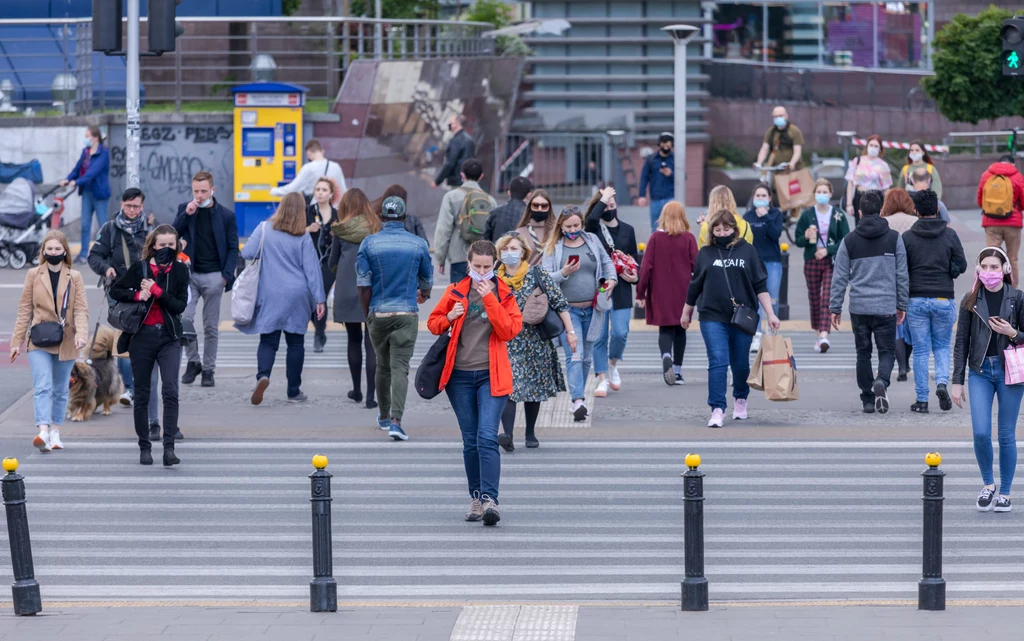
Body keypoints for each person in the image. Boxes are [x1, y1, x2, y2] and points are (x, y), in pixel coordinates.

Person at [427, 240, 523, 526]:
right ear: (468, 263)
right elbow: (433, 323)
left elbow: (510, 330)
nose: (481, 271)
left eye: (486, 266)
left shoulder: (505, 293)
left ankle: (492, 500)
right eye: (476, 266)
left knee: (486, 436)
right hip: (459, 377)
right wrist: (449, 317)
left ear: (495, 265)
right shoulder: (455, 290)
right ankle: (477, 498)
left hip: (491, 375)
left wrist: (490, 298)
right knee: (470, 441)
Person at [682, 210, 779, 427]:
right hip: (711, 315)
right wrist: (686, 311)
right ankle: (717, 408)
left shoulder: (748, 251)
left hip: (742, 316)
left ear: (734, 229)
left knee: (740, 363)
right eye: (717, 229)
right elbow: (694, 286)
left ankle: (741, 398)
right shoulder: (705, 253)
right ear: (711, 231)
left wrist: (771, 313)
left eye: (726, 228)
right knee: (718, 361)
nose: (722, 232)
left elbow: (760, 285)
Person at [951, 247, 1024, 513]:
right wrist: (956, 381)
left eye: (995, 267)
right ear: (978, 270)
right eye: (986, 267)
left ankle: (1005, 492)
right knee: (981, 432)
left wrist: (1013, 332)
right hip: (979, 372)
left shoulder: (1017, 298)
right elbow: (961, 342)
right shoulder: (970, 300)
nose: (990, 272)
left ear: (1005, 269)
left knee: (1006, 434)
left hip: (1010, 373)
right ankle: (988, 484)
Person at [109, 225, 189, 467]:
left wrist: (157, 291)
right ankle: (144, 446)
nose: (166, 249)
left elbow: (179, 306)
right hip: (141, 337)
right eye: (162, 245)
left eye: (171, 245)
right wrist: (137, 295)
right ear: (154, 245)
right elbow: (116, 290)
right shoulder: (141, 268)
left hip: (169, 337)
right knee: (142, 393)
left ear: (177, 246)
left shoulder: (179, 271)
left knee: (171, 391)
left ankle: (169, 448)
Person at [358, 196, 433, 442]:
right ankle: (396, 421)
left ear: (381, 217)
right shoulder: (418, 244)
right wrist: (425, 293)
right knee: (400, 366)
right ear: (404, 217)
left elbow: (363, 284)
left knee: (382, 365)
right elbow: (426, 279)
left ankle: (382, 414)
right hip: (406, 311)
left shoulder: (369, 243)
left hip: (378, 311)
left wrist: (368, 312)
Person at [241, 193, 326, 405]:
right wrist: (320, 299)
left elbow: (248, 253)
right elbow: (312, 270)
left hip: (270, 292)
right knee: (296, 343)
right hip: (298, 294)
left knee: (268, 340)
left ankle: (263, 375)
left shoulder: (264, 228)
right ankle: (294, 391)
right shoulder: (303, 236)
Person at [829, 190, 908, 415]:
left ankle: (867, 399)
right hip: (885, 307)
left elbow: (840, 276)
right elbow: (902, 275)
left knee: (863, 352)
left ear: (861, 212)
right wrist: (902, 304)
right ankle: (881, 380)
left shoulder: (849, 240)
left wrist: (835, 307)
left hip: (859, 307)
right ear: (882, 211)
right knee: (887, 351)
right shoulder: (894, 238)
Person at [11, 231, 89, 452]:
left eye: (57, 249)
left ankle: (55, 431)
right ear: (43, 251)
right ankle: (43, 431)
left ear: (65, 250)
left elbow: (81, 309)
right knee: (42, 385)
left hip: (67, 340)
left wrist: (82, 334)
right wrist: (17, 341)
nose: (53, 252)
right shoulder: (33, 274)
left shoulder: (74, 277)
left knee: (60, 389)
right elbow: (24, 308)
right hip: (39, 339)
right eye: (49, 249)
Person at [493, 233, 573, 451]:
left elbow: (560, 302)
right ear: (500, 254)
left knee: (533, 388)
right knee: (509, 388)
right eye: (506, 249)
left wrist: (571, 332)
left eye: (514, 249)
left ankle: (530, 432)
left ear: (523, 252)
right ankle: (507, 435)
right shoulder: (493, 278)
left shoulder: (537, 273)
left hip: (535, 341)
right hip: (506, 341)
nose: (510, 253)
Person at [542, 206, 617, 422]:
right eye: (569, 226)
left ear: (582, 225)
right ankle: (577, 401)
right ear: (561, 227)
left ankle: (578, 397)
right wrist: (563, 272)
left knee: (586, 358)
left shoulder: (592, 241)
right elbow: (546, 278)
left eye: (577, 225)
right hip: (568, 312)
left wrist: (611, 279)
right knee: (574, 355)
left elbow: (607, 264)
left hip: (593, 310)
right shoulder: (554, 247)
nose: (573, 229)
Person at [174, 170, 239, 388]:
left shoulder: (226, 215)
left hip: (214, 276)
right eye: (196, 191)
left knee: (211, 326)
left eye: (203, 191)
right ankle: (193, 362)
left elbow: (232, 248)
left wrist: (225, 276)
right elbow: (172, 235)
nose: (199, 195)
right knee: (185, 319)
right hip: (189, 275)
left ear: (212, 190)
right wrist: (187, 214)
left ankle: (209, 369)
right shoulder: (186, 209)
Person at [903, 189, 967, 413]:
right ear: (938, 209)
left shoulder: (908, 237)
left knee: (920, 350)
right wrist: (950, 270)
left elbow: (901, 270)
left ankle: (921, 400)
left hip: (916, 298)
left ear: (916, 211)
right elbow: (962, 264)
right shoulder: (949, 235)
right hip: (943, 297)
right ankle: (941, 382)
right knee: (941, 346)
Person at [88, 187, 152, 406]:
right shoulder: (109, 229)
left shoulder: (151, 229)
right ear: (122, 205)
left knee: (146, 337)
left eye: (136, 206)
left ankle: (144, 384)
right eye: (128, 206)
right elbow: (94, 256)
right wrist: (106, 268)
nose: (132, 210)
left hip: (146, 292)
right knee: (123, 337)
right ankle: (130, 388)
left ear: (142, 206)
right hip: (119, 292)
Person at [328, 188, 381, 408]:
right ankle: (371, 397)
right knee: (372, 343)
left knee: (353, 340)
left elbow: (332, 262)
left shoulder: (341, 230)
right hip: (372, 288)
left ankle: (356, 390)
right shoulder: (377, 228)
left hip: (348, 289)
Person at [584, 187, 638, 397]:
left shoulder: (628, 230)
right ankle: (602, 379)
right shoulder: (594, 229)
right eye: (606, 205)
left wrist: (636, 277)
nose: (610, 208)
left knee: (620, 333)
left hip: (622, 287)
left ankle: (613, 364)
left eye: (613, 204)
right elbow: (589, 220)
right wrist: (603, 198)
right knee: (599, 335)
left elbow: (633, 259)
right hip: (600, 286)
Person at [637, 201, 698, 385]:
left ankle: (666, 355)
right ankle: (677, 371)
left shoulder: (655, 238)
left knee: (665, 328)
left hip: (660, 290)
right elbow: (697, 265)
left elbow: (646, 268)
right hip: (683, 291)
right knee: (681, 329)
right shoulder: (688, 238)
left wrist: (641, 293)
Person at [794, 179, 849, 353]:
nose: (822, 195)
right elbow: (798, 240)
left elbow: (845, 239)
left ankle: (825, 334)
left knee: (827, 296)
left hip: (830, 261)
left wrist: (828, 250)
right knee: (814, 297)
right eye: (819, 192)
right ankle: (818, 333)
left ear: (831, 194)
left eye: (825, 192)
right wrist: (806, 236)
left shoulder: (838, 215)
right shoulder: (807, 215)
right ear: (814, 194)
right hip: (811, 259)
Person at [433, 158, 496, 284]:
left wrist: (440, 258)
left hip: (458, 256)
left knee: (459, 298)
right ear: (481, 176)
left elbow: (443, 229)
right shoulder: (490, 200)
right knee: (479, 299)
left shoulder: (451, 197)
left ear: (462, 175)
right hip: (482, 260)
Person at [881, 188, 920, 380]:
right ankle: (908, 362)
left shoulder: (884, 223)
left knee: (896, 324)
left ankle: (902, 366)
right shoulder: (915, 222)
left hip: (890, 277)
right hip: (913, 277)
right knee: (911, 322)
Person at [743, 183, 784, 353]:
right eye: (758, 196)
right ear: (753, 198)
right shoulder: (748, 216)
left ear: (770, 198)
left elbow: (776, 234)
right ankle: (757, 333)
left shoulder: (775, 214)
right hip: (754, 263)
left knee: (772, 298)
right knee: (755, 299)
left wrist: (766, 217)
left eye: (763, 196)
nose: (760, 199)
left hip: (772, 261)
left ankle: (771, 328)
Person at [60, 126, 111, 264]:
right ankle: (83, 255)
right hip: (87, 193)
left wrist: (77, 182)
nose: (86, 139)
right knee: (85, 225)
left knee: (103, 226)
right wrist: (68, 178)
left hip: (99, 194)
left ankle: (107, 254)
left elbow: (92, 172)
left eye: (87, 136)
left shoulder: (104, 153)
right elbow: (77, 169)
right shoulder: (86, 152)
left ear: (95, 137)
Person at [977, 155, 1024, 285]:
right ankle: (1013, 291)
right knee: (1012, 258)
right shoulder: (1018, 177)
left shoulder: (986, 175)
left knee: (992, 257)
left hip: (991, 223)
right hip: (1013, 223)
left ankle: (992, 286)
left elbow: (980, 200)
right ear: (1012, 164)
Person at [307, 177, 336, 353]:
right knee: (309, 298)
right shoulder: (308, 212)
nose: (320, 193)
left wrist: (336, 234)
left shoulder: (337, 215)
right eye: (317, 189)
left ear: (331, 194)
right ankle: (317, 326)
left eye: (324, 190)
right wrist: (307, 230)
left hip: (328, 263)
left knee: (321, 297)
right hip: (308, 262)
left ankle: (319, 333)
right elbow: (293, 232)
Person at [269, 139, 347, 203]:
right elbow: (343, 190)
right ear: (321, 151)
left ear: (308, 153)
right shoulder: (336, 166)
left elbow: (293, 188)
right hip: (334, 210)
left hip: (315, 210)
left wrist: (274, 191)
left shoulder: (308, 168)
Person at [845, 135, 893, 225]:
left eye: (876, 146)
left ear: (880, 149)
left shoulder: (883, 165)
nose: (873, 148)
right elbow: (850, 183)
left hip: (876, 198)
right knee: (860, 225)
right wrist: (849, 204)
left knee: (876, 225)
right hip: (860, 197)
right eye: (871, 145)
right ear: (867, 146)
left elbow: (886, 189)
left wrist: (888, 206)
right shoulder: (857, 161)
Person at [638, 133, 675, 233]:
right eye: (664, 144)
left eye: (668, 145)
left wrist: (671, 174)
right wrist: (642, 195)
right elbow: (644, 177)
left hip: (671, 197)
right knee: (655, 227)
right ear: (659, 144)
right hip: (655, 198)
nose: (666, 147)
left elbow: (683, 177)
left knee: (672, 226)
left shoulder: (675, 159)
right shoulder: (651, 159)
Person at [755, 106, 804, 172]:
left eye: (780, 116)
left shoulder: (794, 131)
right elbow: (764, 149)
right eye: (776, 116)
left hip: (793, 171)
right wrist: (759, 163)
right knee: (766, 180)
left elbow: (797, 151)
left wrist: (792, 163)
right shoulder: (771, 131)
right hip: (775, 169)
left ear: (786, 116)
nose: (778, 118)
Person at [433, 114, 476, 189]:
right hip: (469, 181)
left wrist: (437, 181)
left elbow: (450, 163)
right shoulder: (470, 140)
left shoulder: (456, 141)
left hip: (457, 181)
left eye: (450, 123)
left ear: (456, 124)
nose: (449, 125)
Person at [484, 176, 532, 242]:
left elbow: (485, 239)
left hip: (497, 250)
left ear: (509, 193)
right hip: (522, 251)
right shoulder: (531, 215)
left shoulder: (494, 212)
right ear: (529, 195)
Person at [514, 189, 556, 265]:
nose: (539, 209)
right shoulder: (520, 233)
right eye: (535, 205)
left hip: (551, 275)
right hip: (527, 275)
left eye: (544, 206)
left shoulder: (556, 231)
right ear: (530, 207)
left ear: (549, 207)